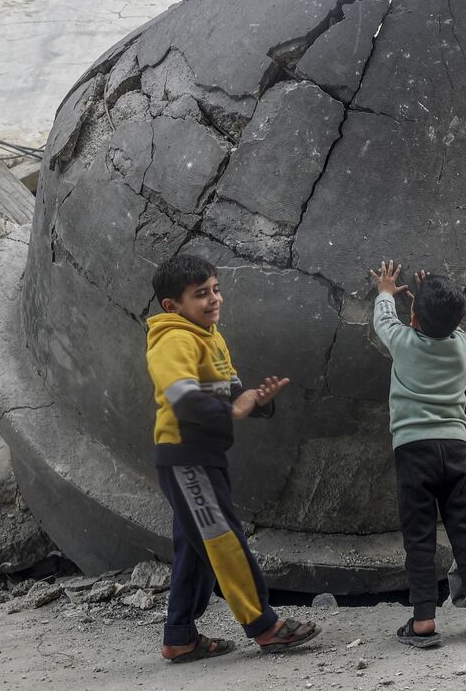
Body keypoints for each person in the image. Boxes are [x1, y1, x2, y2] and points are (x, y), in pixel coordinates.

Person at [146, 254, 320, 663]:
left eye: (215, 289)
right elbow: (182, 399)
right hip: (186, 459)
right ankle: (265, 626)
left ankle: (180, 636)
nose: (213, 299)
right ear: (172, 306)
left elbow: (232, 391)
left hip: (205, 457)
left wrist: (257, 401)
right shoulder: (172, 339)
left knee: (195, 547)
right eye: (200, 294)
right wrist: (234, 410)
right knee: (225, 541)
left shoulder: (210, 335)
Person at [369, 260, 466, 648]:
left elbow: (384, 321)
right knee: (464, 529)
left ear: (413, 316)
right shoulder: (461, 345)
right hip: (455, 447)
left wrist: (384, 292)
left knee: (420, 536)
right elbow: (449, 323)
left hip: (413, 450)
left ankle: (424, 619)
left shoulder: (403, 342)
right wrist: (433, 294)